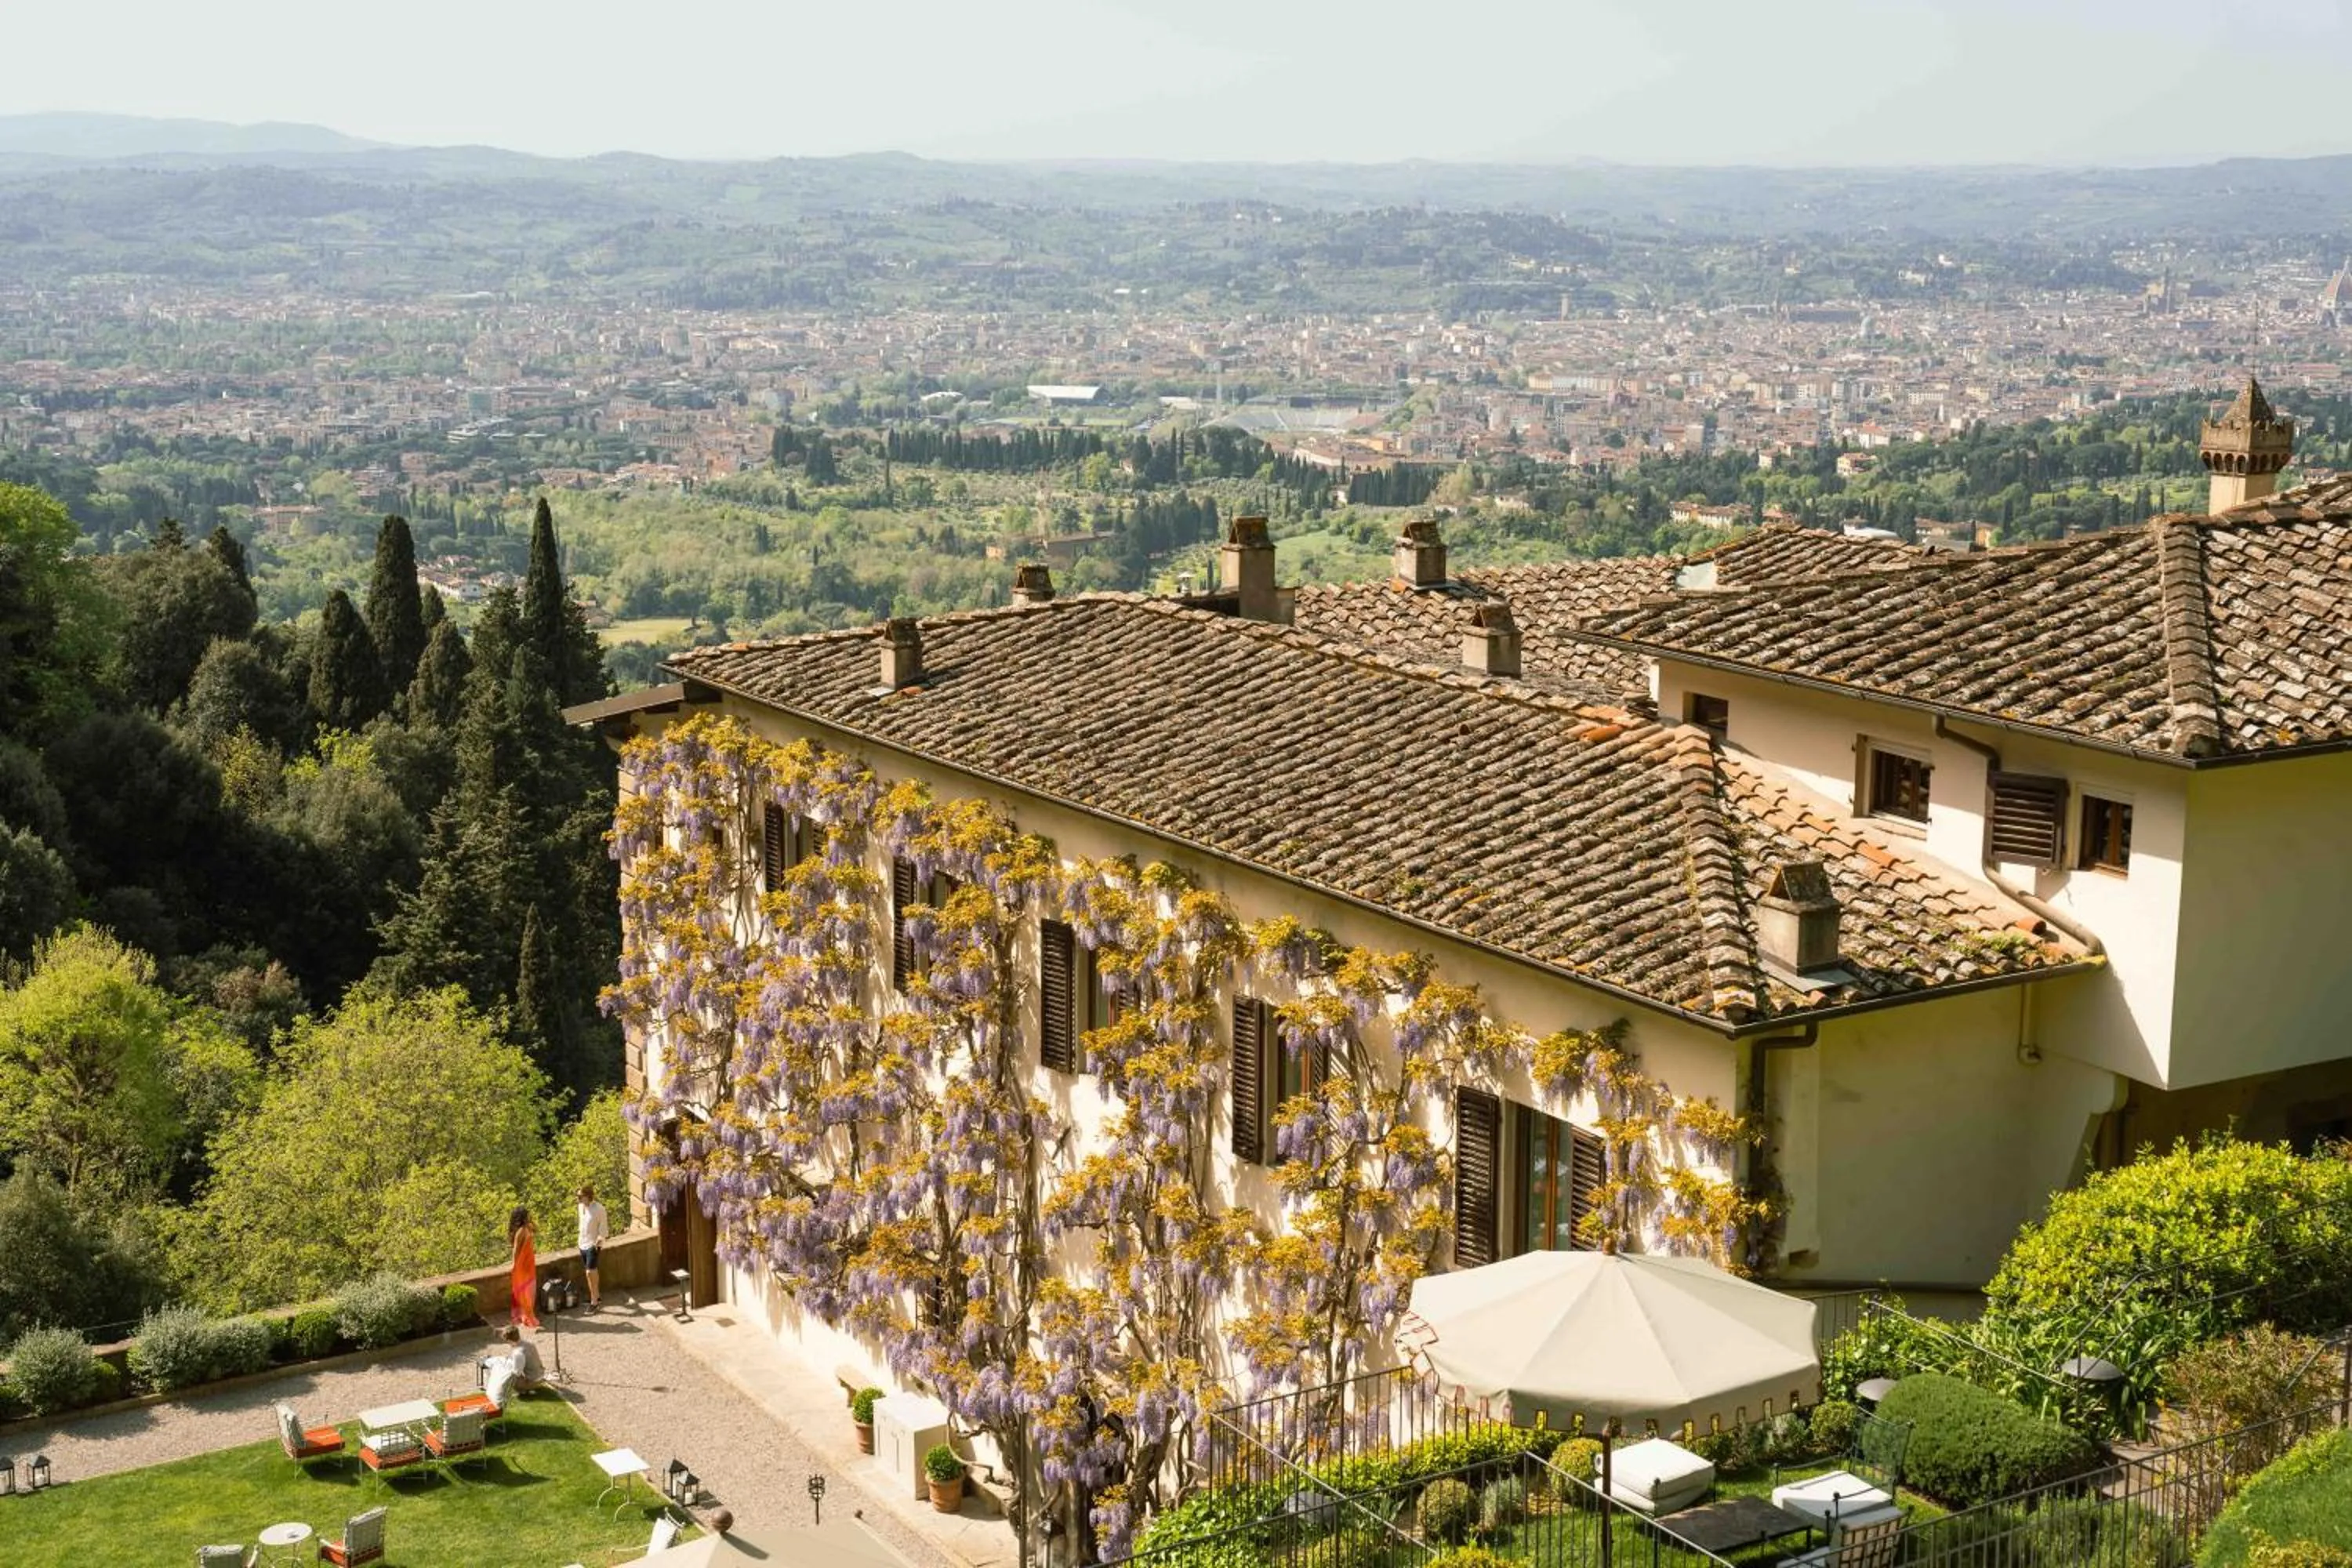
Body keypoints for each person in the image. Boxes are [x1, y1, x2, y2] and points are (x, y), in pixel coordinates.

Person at [576, 1184, 610, 1308]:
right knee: (590, 1272)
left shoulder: (599, 1209)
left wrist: (598, 1244)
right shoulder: (580, 1207)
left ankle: (594, 1302)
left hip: (593, 1244)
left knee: (590, 1272)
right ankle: (596, 1296)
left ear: (588, 1196)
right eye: (577, 1196)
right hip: (582, 1242)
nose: (578, 1199)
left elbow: (603, 1229)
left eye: (580, 1196)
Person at [508, 1205, 540, 1328]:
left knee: (530, 1289)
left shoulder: (527, 1227)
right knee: (526, 1290)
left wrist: (530, 1221)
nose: (529, 1216)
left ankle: (527, 1314)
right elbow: (515, 1249)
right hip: (523, 1264)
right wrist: (514, 1264)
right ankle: (528, 1316)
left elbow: (536, 1229)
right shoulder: (521, 1231)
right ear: (522, 1217)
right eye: (527, 1215)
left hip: (529, 1263)